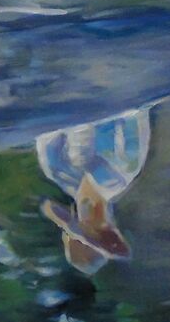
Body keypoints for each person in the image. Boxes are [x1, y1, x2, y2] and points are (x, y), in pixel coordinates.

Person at [36, 109, 149, 275]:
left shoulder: (58, 172)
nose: (86, 220)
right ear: (109, 228)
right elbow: (132, 107)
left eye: (72, 232)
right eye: (97, 231)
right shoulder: (125, 166)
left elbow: (42, 121)